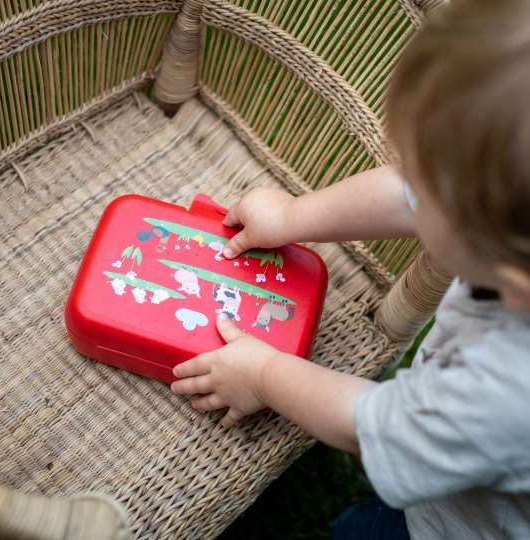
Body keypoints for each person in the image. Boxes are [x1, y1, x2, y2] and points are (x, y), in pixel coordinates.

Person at [171, 0, 530, 537]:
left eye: (426, 190)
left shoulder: (505, 392)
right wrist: (292, 217)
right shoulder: (510, 241)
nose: (409, 190)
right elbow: (404, 195)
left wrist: (265, 375)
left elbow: (375, 425)